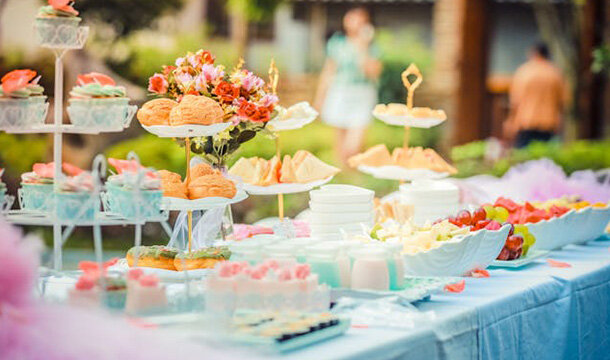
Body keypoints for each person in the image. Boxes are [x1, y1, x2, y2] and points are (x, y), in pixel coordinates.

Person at [314, 7, 382, 165]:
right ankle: (346, 177)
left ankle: (355, 171)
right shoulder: (337, 42)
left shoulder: (371, 47)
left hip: (362, 94)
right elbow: (328, 72)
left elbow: (372, 72)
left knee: (353, 146)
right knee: (340, 142)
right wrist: (319, 99)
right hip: (340, 92)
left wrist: (363, 47)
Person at [504, 42, 568, 149]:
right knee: (544, 156)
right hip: (549, 121)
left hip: (526, 120)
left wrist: (510, 121)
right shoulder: (555, 73)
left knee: (522, 155)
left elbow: (515, 101)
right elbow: (563, 101)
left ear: (534, 53)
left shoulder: (524, 72)